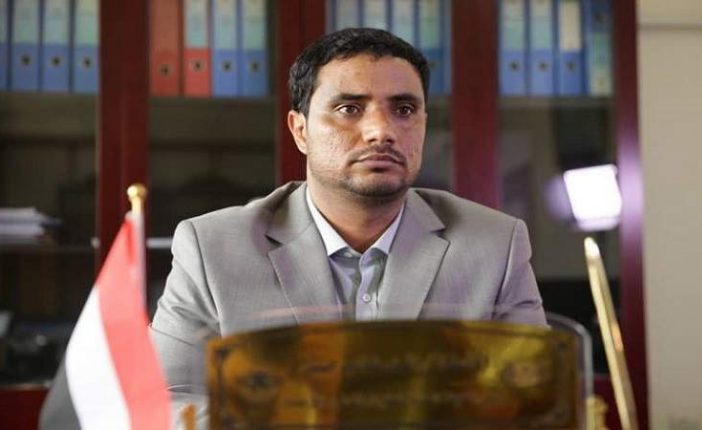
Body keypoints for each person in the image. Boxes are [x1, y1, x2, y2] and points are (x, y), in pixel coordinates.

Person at [150, 27, 545, 422]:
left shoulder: (495, 246)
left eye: (404, 109)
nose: (381, 131)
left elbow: (533, 405)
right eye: (349, 109)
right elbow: (169, 403)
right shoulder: (213, 248)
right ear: (300, 131)